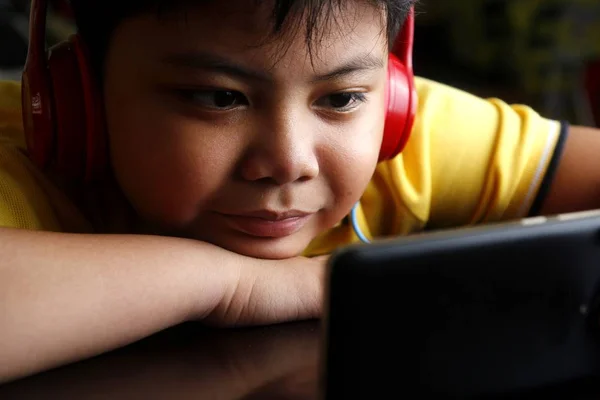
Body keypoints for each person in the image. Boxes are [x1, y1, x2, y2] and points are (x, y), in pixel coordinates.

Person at [2, 0, 600, 383]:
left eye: (339, 98)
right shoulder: (18, 161)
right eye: (218, 97)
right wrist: (237, 286)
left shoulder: (407, 141)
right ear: (75, 96)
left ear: (391, 101)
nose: (289, 162)